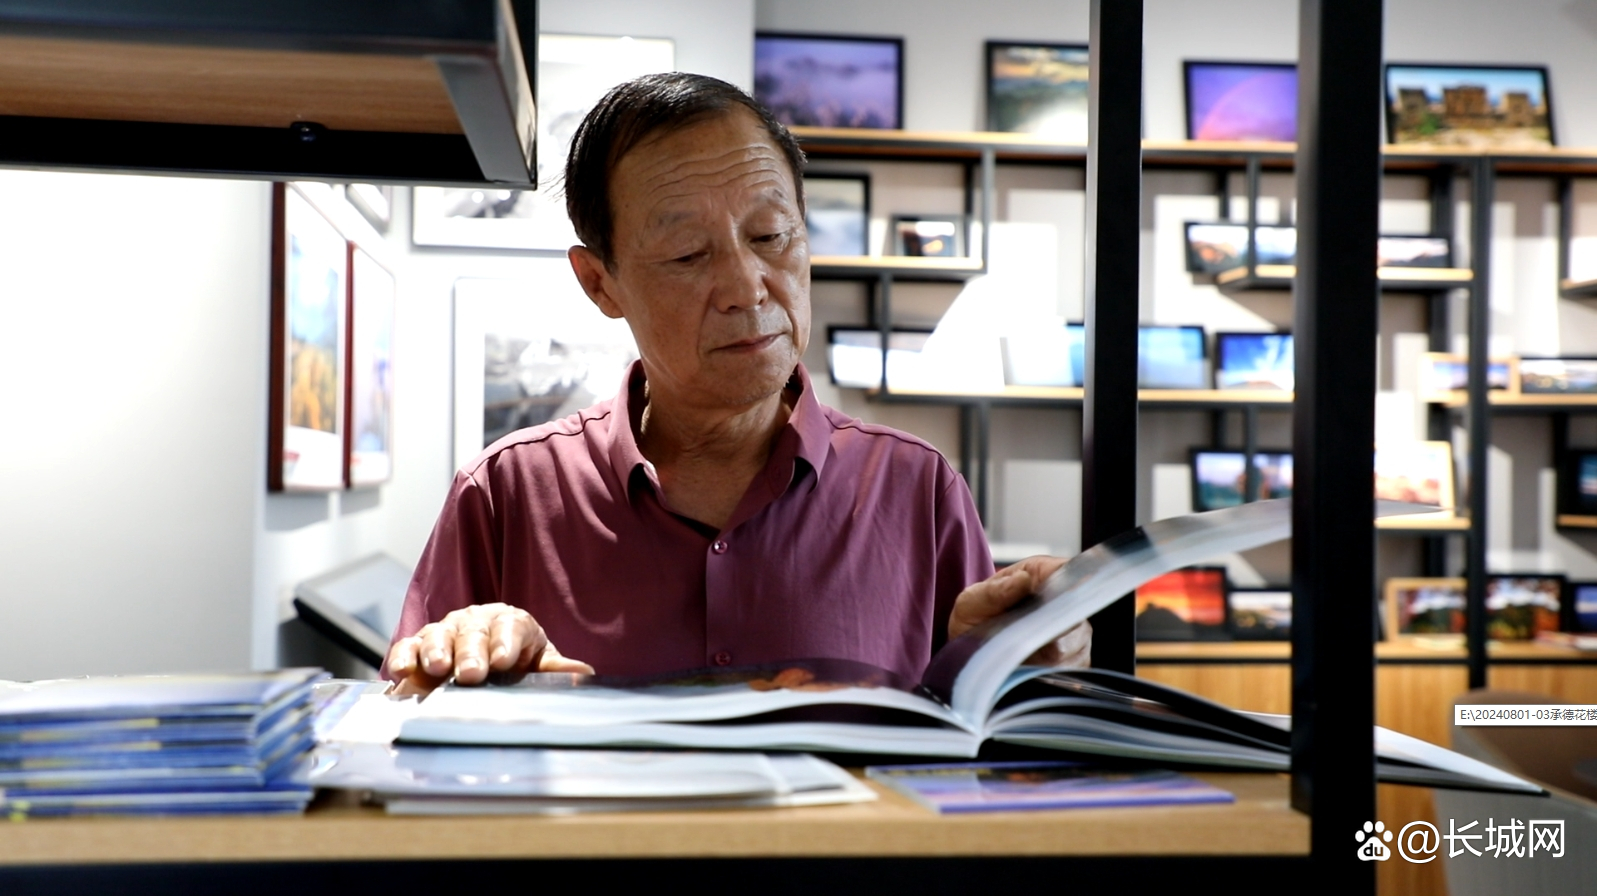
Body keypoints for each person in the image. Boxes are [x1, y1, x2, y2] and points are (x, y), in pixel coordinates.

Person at [383, 73, 1089, 696]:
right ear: (600, 283)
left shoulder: (917, 490)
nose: (747, 287)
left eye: (771, 236)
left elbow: (975, 745)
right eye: (688, 253)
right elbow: (401, 731)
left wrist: (1009, 666)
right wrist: (464, 670)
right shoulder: (506, 495)